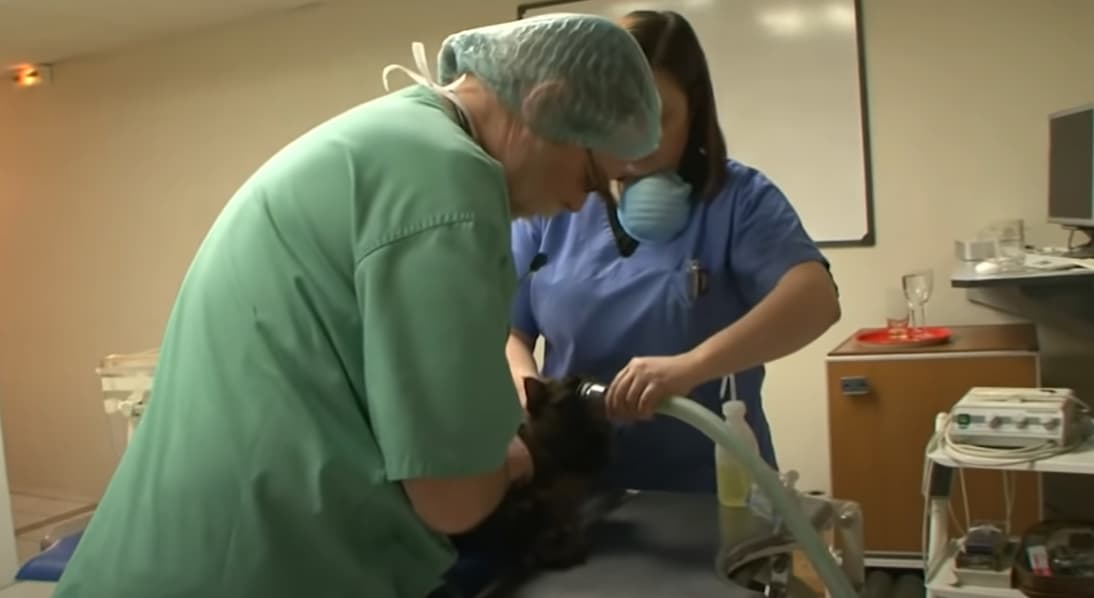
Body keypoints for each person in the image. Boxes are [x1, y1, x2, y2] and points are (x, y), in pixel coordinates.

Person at [53, 13, 662, 598]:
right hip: (251, 573)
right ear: (546, 103)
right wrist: (531, 454)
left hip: (182, 557)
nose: (582, 204)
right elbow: (453, 499)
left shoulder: (394, 143)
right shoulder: (448, 188)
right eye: (589, 176)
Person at [506, 9, 841, 494]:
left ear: (696, 111)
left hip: (712, 492)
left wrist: (692, 366)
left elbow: (815, 300)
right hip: (577, 487)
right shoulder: (555, 196)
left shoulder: (736, 198)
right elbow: (507, 330)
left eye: (659, 117)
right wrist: (526, 390)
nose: (639, 139)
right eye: (621, 114)